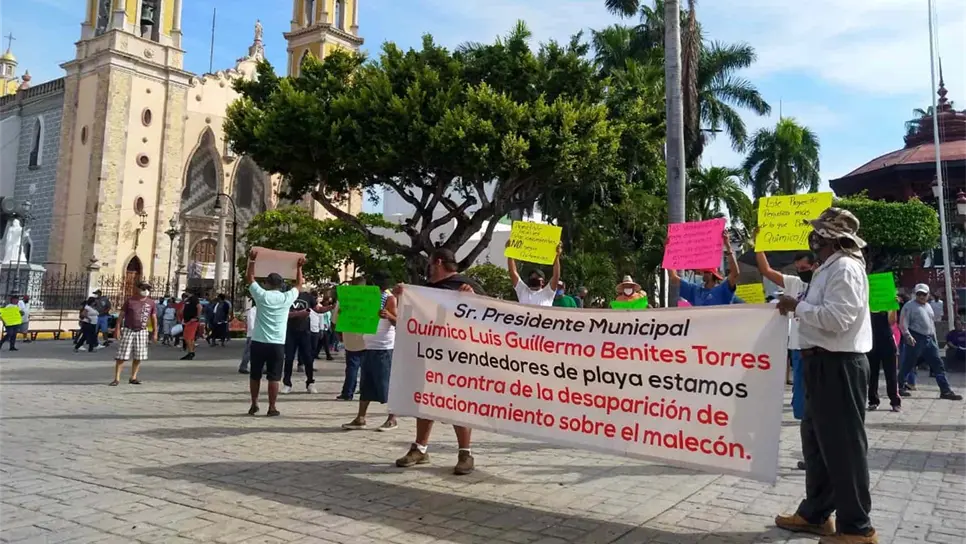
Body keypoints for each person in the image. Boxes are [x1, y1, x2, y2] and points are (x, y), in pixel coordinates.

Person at [773, 208, 876, 543]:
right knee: (817, 445)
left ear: (830, 238)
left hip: (839, 365)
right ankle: (816, 513)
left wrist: (796, 306)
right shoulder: (827, 269)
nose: (813, 238)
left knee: (844, 447)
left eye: (818, 233)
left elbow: (837, 319)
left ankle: (857, 528)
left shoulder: (845, 268)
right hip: (821, 364)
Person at [395, 248, 485, 475]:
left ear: (438, 262)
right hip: (429, 354)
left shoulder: (465, 286)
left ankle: (465, 453)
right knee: (425, 402)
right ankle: (420, 448)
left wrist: (472, 299)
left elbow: (487, 318)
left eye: (430, 264)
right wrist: (400, 296)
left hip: (458, 356)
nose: (428, 269)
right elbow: (410, 320)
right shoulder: (426, 291)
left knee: (458, 403)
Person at [755, 250, 817, 470]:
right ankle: (811, 455)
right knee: (803, 409)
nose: (801, 272)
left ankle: (818, 456)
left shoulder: (823, 283)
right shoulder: (794, 284)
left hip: (817, 351)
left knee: (817, 407)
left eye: (804, 268)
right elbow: (766, 271)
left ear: (815, 265)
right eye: (798, 269)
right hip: (799, 351)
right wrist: (759, 247)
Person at [246, 249, 303, 416]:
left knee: (255, 375)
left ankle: (254, 403)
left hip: (259, 340)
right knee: (274, 377)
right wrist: (299, 268)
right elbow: (299, 285)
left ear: (267, 284)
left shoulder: (262, 296)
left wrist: (252, 261)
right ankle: (272, 407)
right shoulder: (286, 298)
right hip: (277, 342)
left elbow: (250, 279)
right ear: (281, 285)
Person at [342, 272, 398, 431]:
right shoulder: (366, 297)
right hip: (367, 346)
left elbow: (398, 322)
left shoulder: (389, 298)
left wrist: (388, 315)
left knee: (385, 384)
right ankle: (361, 418)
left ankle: (392, 418)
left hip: (383, 348)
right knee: (366, 384)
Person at [898, 283, 962, 401]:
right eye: (919, 294)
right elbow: (903, 324)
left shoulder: (928, 306)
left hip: (929, 339)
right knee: (909, 363)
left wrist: (935, 340)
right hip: (915, 338)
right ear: (915, 294)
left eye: (924, 294)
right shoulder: (909, 306)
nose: (922, 296)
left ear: (928, 295)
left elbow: (931, 325)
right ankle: (900, 386)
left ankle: (945, 390)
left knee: (938, 364)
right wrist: (908, 336)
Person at [669, 231, 739, 306]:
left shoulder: (723, 289)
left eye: (705, 272)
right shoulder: (695, 290)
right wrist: (669, 251)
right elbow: (673, 278)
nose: (703, 274)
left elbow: (735, 273)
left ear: (712, 274)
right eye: (703, 272)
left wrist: (727, 245)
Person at [111, 282, 158, 386]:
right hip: (129, 329)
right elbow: (121, 316)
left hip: (142, 330)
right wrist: (117, 329)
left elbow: (154, 318)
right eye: (143, 288)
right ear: (138, 289)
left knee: (138, 356)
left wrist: (155, 332)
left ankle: (133, 377)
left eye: (147, 289)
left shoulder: (151, 303)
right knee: (121, 356)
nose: (145, 290)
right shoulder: (130, 301)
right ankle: (117, 378)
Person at [281, 286, 317, 394]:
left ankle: (310, 382)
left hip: (304, 332)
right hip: (290, 332)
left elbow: (318, 309)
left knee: (308, 358)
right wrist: (299, 313)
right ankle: (287, 384)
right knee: (289, 359)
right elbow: (283, 313)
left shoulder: (308, 296)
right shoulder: (287, 295)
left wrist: (331, 307)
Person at [335, 277, 366, 401]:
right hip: (367, 338)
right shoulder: (371, 299)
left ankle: (348, 393)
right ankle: (365, 392)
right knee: (366, 368)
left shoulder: (344, 299)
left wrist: (339, 335)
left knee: (352, 367)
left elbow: (335, 320)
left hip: (350, 337)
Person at [868, 306, 902, 412]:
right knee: (872, 374)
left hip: (887, 340)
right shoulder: (867, 302)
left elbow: (892, 321)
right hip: (871, 341)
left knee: (891, 373)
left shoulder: (888, 302)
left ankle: (895, 401)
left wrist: (892, 307)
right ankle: (873, 401)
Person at [507, 242, 561, 306]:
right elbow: (512, 273)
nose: (534, 279)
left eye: (537, 277)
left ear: (543, 282)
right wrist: (509, 253)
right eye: (532, 277)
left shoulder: (547, 293)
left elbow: (556, 276)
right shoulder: (523, 291)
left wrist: (556, 256)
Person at [180, 293, 202, 360]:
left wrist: (197, 317)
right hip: (187, 321)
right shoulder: (188, 300)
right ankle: (191, 352)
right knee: (189, 337)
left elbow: (199, 307)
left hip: (192, 321)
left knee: (188, 337)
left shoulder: (194, 298)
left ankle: (191, 352)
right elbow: (182, 310)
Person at [238, 300, 256, 374]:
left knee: (250, 351)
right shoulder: (252, 311)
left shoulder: (259, 310)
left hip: (254, 334)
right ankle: (243, 366)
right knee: (249, 352)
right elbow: (251, 323)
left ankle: (244, 366)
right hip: (253, 334)